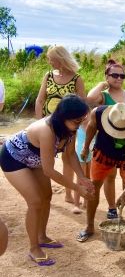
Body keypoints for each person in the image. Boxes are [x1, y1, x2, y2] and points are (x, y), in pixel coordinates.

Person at [0, 95, 94, 266]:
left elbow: (70, 154)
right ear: (62, 117)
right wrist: (75, 188)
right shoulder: (47, 130)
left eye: (82, 120)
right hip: (13, 158)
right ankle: (33, 247)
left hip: (35, 159)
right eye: (76, 121)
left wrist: (82, 177)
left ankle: (42, 236)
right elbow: (49, 170)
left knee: (47, 196)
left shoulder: (70, 128)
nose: (79, 124)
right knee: (35, 201)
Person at [35, 45, 86, 205]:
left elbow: (82, 103)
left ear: (60, 59)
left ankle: (68, 192)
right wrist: (39, 121)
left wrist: (79, 124)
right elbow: (40, 99)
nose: (49, 62)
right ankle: (43, 190)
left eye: (51, 59)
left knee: (68, 157)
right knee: (42, 159)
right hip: (47, 124)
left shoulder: (77, 78)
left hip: (68, 126)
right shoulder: (49, 75)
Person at [86, 59, 125, 219]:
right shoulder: (103, 96)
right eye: (114, 75)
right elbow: (90, 98)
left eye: (122, 75)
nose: (119, 78)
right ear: (107, 76)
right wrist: (102, 85)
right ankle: (112, 208)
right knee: (109, 177)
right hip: (106, 147)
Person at [77, 103, 125, 242]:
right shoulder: (98, 113)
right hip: (103, 154)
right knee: (93, 188)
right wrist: (85, 148)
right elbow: (91, 127)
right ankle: (89, 226)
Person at [72, 117, 94, 214]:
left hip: (91, 154)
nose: (86, 116)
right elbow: (72, 141)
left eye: (88, 114)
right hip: (80, 154)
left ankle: (86, 202)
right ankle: (76, 204)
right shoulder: (78, 126)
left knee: (89, 178)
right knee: (80, 180)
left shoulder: (93, 126)